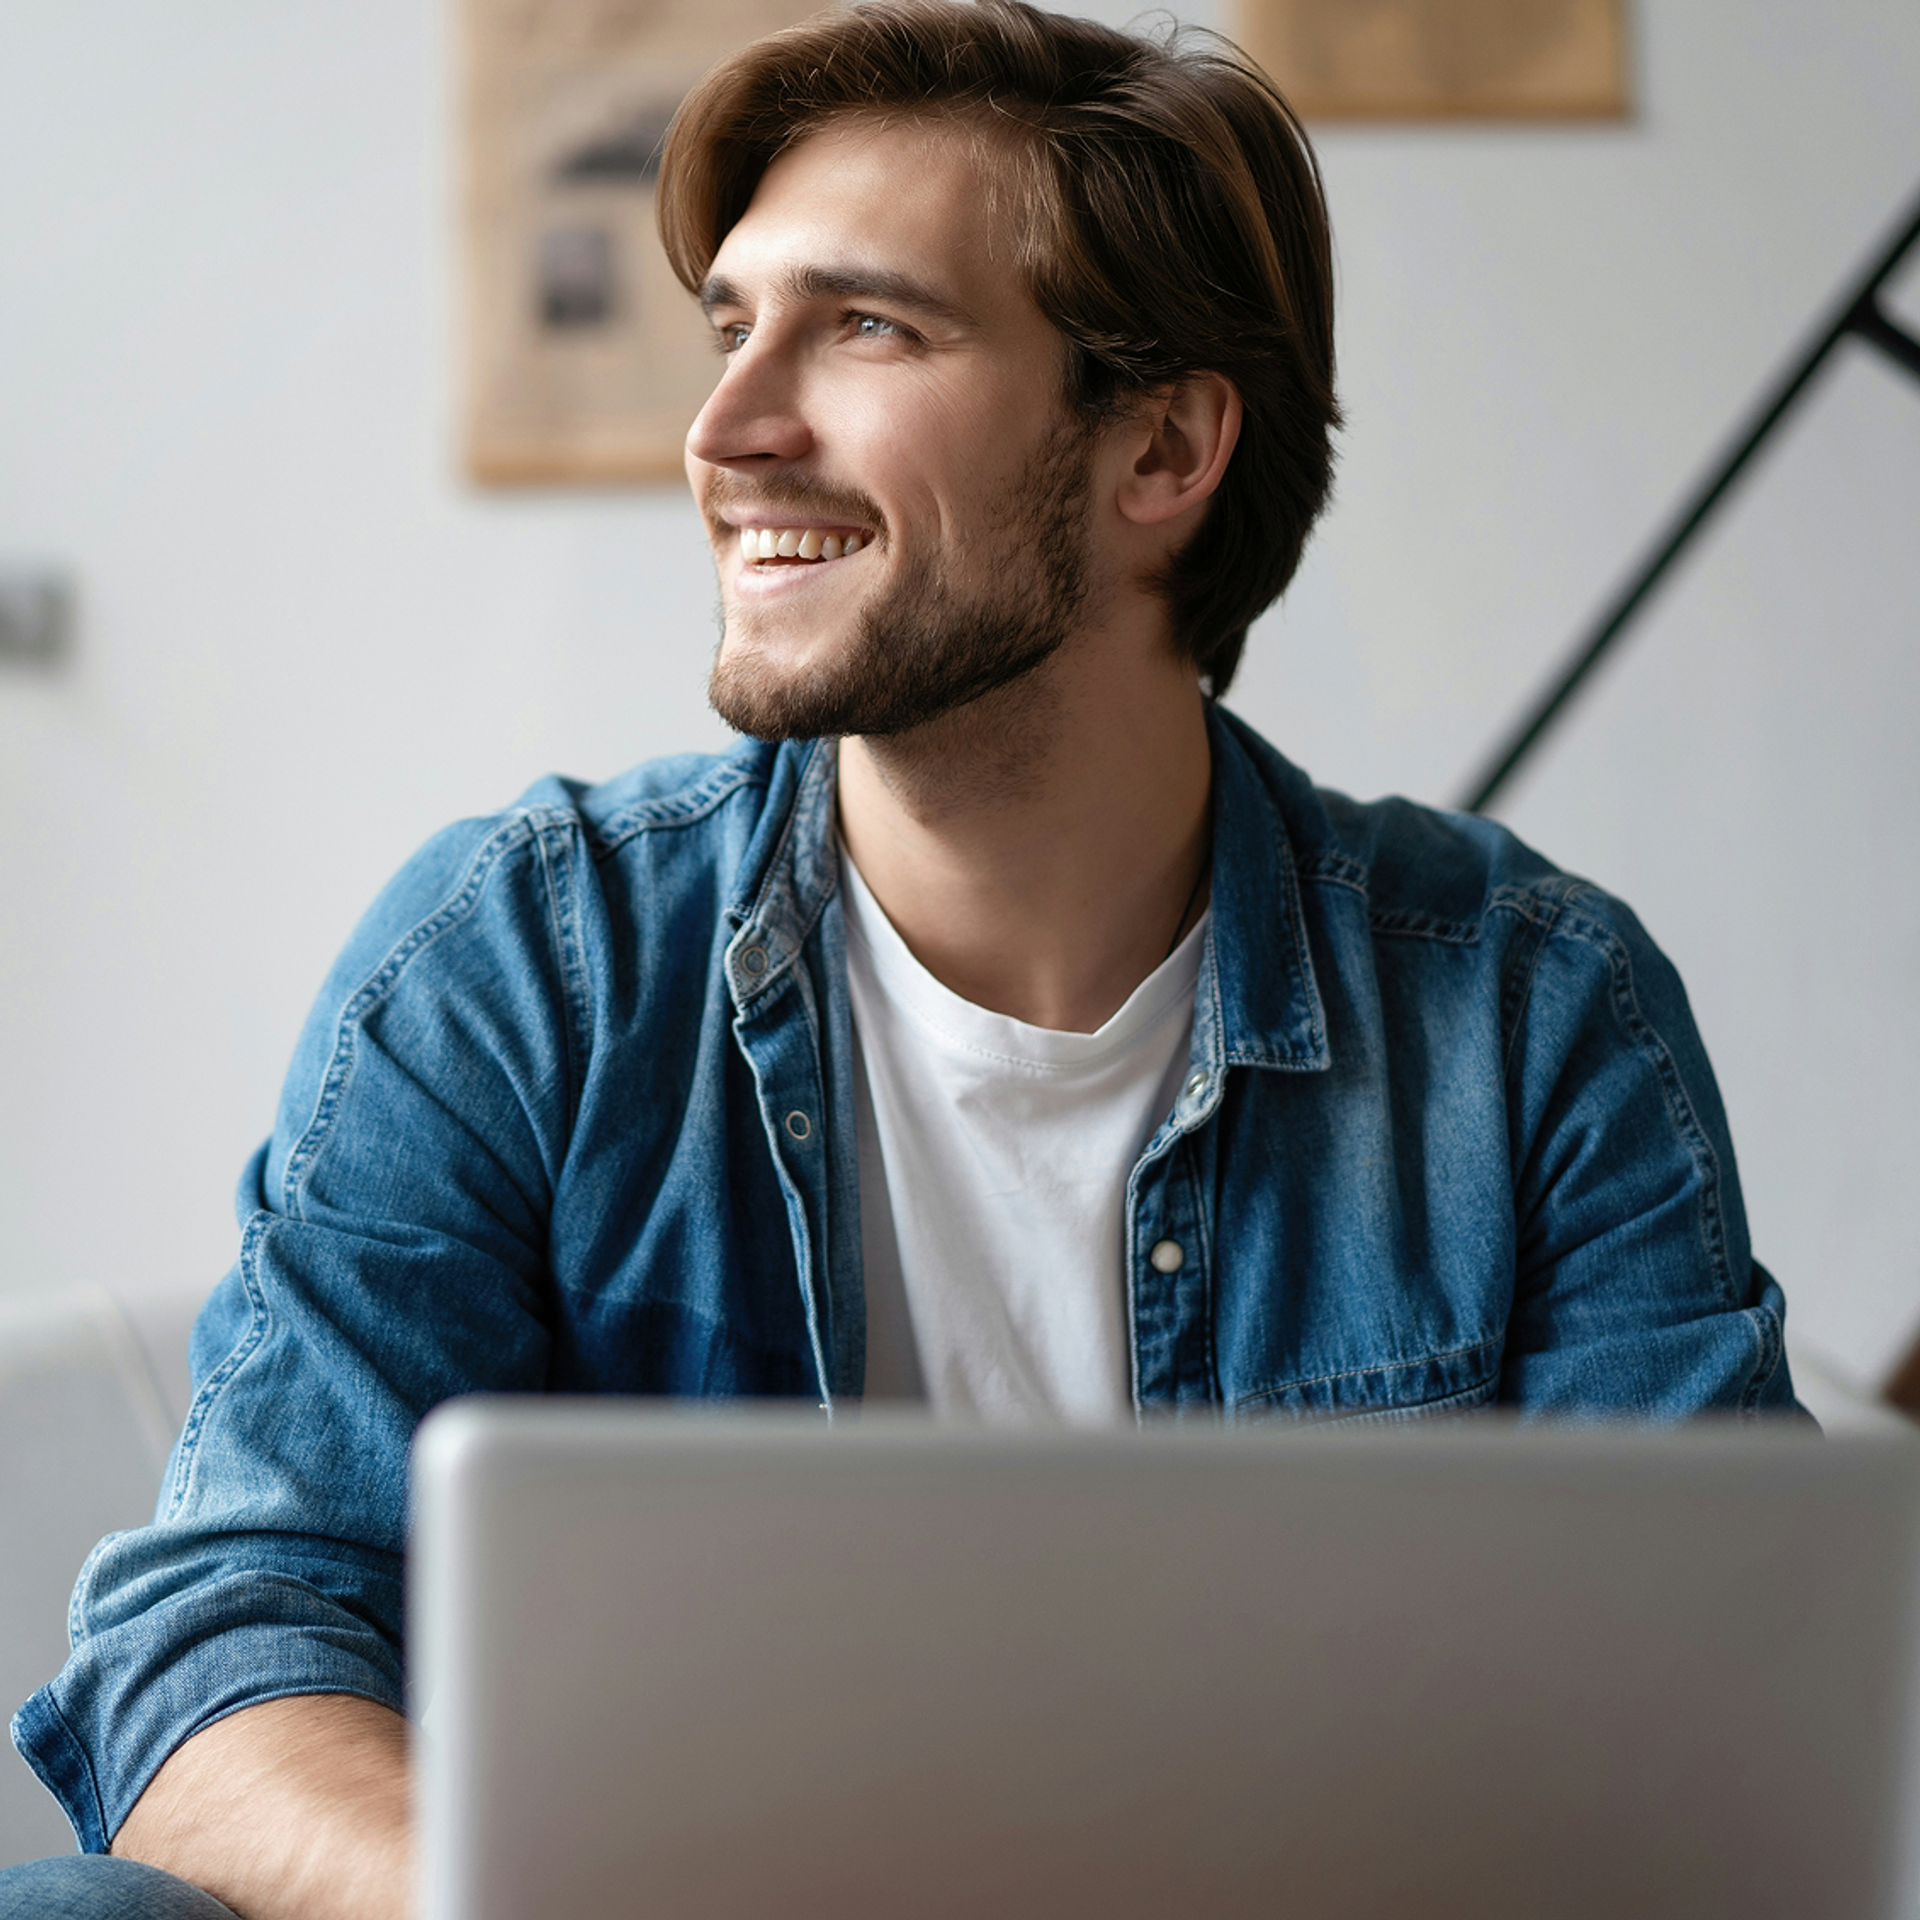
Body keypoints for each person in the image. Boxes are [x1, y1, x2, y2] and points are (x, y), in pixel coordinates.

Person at [5, 0, 1803, 1912]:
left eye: (865, 326)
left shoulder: (1527, 1011)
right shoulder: (524, 963)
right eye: (732, 328)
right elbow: (221, 1647)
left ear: (1166, 448)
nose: (726, 428)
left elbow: (1737, 1722)